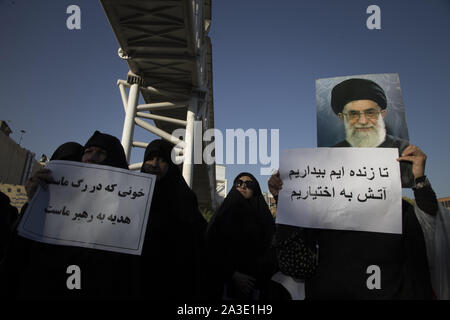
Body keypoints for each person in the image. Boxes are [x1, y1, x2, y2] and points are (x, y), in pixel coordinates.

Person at [269, 145, 438, 299]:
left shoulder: (397, 210)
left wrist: (420, 180)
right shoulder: (319, 214)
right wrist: (284, 201)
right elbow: (296, 266)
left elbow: (428, 235)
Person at [1, 132, 133, 299]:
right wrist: (33, 204)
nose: (91, 158)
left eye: (100, 153)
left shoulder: (128, 214)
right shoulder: (58, 204)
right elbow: (19, 256)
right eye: (88, 151)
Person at [137, 139, 207, 300]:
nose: (154, 165)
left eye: (162, 160)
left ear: (170, 164)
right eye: (150, 159)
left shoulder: (185, 199)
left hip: (174, 283)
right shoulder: (130, 196)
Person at [205, 172, 287, 300]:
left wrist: (277, 196)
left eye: (249, 184)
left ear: (255, 189)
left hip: (259, 285)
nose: (243, 186)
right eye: (239, 183)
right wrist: (232, 274)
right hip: (226, 285)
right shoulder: (223, 215)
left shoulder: (263, 217)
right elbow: (211, 246)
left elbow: (278, 238)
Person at [331, 78, 414, 187]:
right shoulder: (332, 156)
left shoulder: (404, 150)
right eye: (353, 114)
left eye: (370, 113)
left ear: (382, 114)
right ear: (342, 117)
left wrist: (420, 178)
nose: (363, 121)